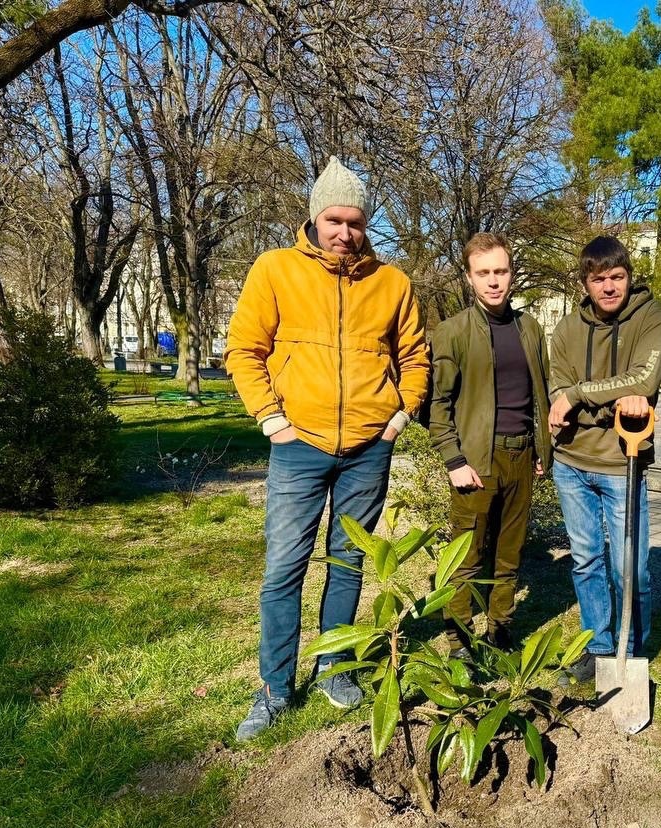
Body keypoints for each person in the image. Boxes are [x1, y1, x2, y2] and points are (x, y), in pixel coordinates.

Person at [225, 156, 429, 740]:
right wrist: (271, 419)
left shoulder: (392, 283)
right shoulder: (275, 270)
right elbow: (244, 349)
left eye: (356, 221)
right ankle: (274, 688)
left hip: (369, 446)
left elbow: (415, 358)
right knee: (284, 567)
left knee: (348, 562)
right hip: (298, 445)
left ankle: (336, 665)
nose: (345, 232)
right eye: (335, 219)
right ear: (315, 218)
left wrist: (396, 418)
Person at [548, 236, 661, 683]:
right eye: (599, 280)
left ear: (629, 277)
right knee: (585, 558)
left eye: (617, 277)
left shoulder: (651, 318)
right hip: (571, 463)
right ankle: (598, 645)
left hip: (623, 461)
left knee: (629, 567)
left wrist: (582, 396)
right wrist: (611, 398)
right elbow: (556, 389)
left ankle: (631, 650)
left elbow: (644, 378)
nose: (610, 288)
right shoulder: (566, 330)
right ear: (586, 283)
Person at [428, 232, 551, 652]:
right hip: (475, 461)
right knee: (467, 554)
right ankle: (459, 637)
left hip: (521, 457)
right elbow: (438, 403)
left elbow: (541, 393)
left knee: (509, 551)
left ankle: (500, 628)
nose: (493, 281)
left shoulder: (530, 329)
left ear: (511, 274)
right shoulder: (453, 333)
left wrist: (540, 447)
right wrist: (453, 459)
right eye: (484, 273)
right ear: (469, 278)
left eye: (500, 271)